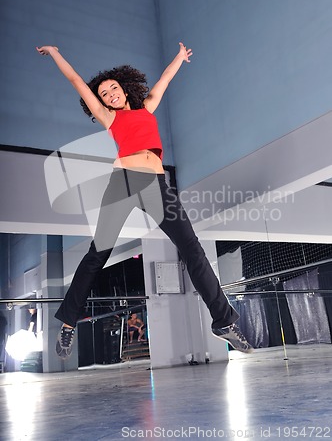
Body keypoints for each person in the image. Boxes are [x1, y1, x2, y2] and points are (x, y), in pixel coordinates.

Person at [36, 42, 253, 358]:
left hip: (157, 185)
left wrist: (179, 58)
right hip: (123, 183)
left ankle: (222, 321)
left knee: (192, 248)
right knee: (98, 253)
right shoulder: (109, 118)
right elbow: (76, 82)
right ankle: (68, 323)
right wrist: (56, 53)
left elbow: (164, 79)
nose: (110, 95)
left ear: (123, 88)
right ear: (102, 102)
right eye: (104, 95)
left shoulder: (146, 107)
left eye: (113, 89)